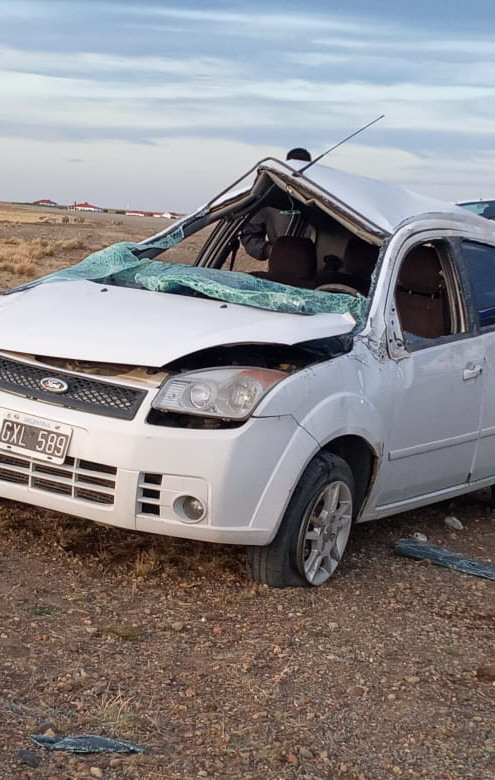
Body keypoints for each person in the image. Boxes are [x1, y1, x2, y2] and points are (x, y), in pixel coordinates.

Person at [240, 148, 312, 261]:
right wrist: (271, 250)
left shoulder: (327, 203)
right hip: (280, 270)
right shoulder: (272, 201)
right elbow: (249, 235)